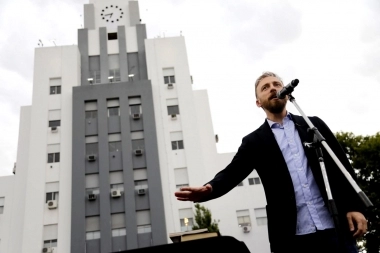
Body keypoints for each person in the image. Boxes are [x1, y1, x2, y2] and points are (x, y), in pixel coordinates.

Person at [174, 72, 367, 253]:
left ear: (287, 92)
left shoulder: (312, 125)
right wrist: (210, 189)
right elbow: (232, 173)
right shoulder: (255, 141)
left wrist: (354, 207)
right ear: (258, 102)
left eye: (277, 84)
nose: (273, 88)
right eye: (265, 87)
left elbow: (341, 166)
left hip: (334, 226)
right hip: (292, 237)